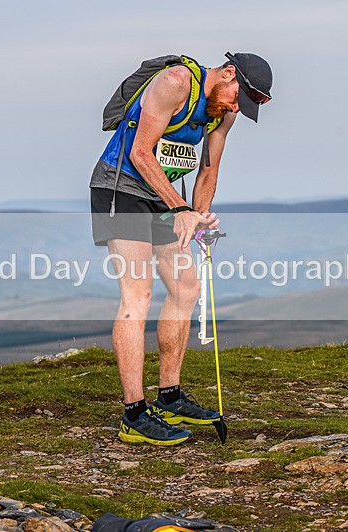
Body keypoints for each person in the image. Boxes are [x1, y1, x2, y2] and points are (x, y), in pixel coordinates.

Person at [90, 52, 273, 445]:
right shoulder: (175, 83)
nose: (234, 107)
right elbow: (140, 152)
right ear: (227, 74)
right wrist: (181, 208)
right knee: (137, 294)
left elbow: (208, 169)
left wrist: (200, 218)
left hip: (165, 195)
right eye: (236, 97)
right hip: (121, 186)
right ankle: (133, 413)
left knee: (186, 287)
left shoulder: (223, 112)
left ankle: (169, 395)